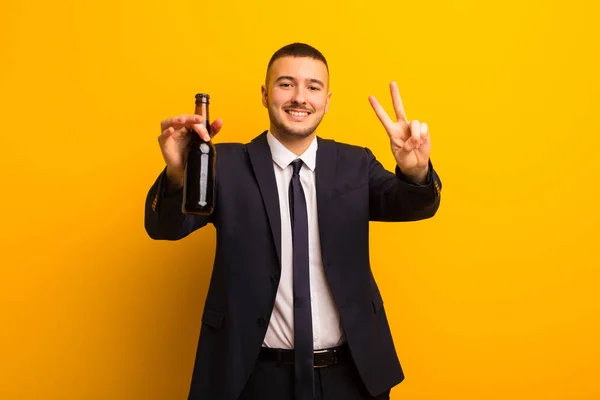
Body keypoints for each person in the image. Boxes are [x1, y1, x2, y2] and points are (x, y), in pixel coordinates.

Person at [145, 42, 442, 400]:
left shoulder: (355, 164)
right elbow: (165, 227)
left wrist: (416, 171)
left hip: (351, 378)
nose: (300, 97)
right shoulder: (227, 165)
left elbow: (414, 205)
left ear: (327, 100)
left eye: (313, 87)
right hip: (253, 378)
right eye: (286, 84)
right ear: (265, 93)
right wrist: (179, 174)